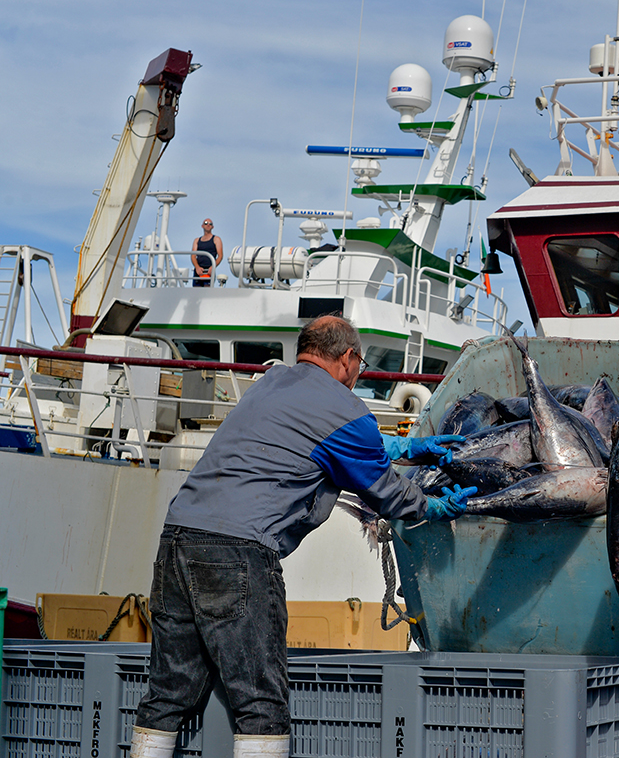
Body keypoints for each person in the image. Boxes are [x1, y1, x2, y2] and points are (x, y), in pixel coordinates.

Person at [131, 315, 473, 758]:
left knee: (168, 694)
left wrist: (405, 448)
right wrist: (434, 507)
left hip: (177, 539)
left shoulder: (270, 384)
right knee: (260, 702)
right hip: (238, 551)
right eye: (361, 364)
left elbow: (315, 437)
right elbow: (387, 492)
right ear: (348, 358)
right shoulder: (346, 408)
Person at [191, 217, 223, 286]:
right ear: (202, 226)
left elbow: (220, 256)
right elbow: (193, 256)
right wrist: (197, 267)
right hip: (198, 270)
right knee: (196, 291)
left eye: (210, 223)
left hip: (209, 270)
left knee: (207, 290)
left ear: (212, 227)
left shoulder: (216, 239)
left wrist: (212, 267)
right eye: (206, 223)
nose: (208, 224)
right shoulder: (197, 240)